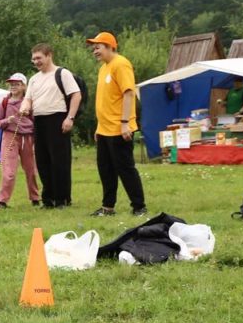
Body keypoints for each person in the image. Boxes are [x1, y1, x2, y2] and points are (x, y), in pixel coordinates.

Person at [86, 32, 147, 217]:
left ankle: (139, 206)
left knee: (125, 168)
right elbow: (105, 100)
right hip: (104, 129)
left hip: (119, 128)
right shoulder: (104, 68)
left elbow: (129, 93)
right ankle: (108, 207)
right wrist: (98, 127)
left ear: (110, 46)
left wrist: (125, 123)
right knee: (105, 170)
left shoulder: (121, 64)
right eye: (93, 48)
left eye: (98, 47)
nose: (94, 51)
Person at [19, 43, 81, 208]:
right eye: (33, 59)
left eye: (39, 58)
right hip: (39, 120)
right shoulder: (33, 79)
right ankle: (48, 199)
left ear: (49, 55)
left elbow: (76, 95)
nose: (36, 62)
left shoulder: (62, 73)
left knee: (59, 161)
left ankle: (62, 199)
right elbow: (28, 98)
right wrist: (24, 106)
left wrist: (70, 118)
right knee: (42, 160)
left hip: (58, 119)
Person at [0, 73, 39, 209]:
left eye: (17, 83)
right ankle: (2, 202)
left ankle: (35, 198)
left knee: (31, 170)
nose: (13, 86)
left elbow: (36, 122)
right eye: (11, 83)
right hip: (10, 137)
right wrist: (8, 120)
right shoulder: (4, 102)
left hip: (28, 138)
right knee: (9, 172)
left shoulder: (30, 102)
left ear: (24, 86)